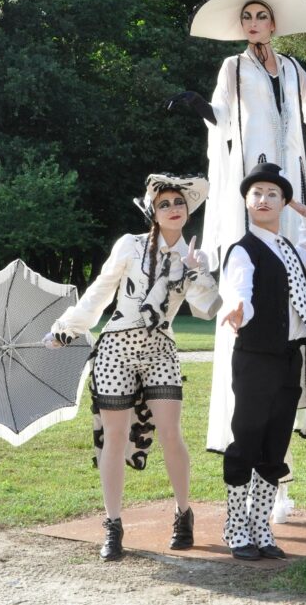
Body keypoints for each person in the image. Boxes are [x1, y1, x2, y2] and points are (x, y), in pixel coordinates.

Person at [167, 0, 306, 519]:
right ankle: (250, 460)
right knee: (256, 294)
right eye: (246, 17)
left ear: (274, 24)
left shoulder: (291, 69)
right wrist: (198, 104)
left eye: (260, 16)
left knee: (294, 298)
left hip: (288, 191)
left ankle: (280, 474)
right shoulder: (233, 67)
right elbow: (221, 120)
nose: (253, 23)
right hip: (253, 188)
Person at [45, 174, 219, 561]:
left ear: (188, 210)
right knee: (114, 436)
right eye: (164, 204)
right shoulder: (130, 245)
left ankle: (183, 514)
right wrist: (67, 329)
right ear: (152, 212)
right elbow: (101, 290)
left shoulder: (195, 255)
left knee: (171, 433)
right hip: (116, 348)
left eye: (178, 203)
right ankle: (113, 525)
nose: (173, 209)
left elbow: (207, 310)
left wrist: (197, 272)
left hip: (161, 349)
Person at [218, 162, 306, 561]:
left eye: (272, 194)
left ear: (283, 203)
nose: (263, 199)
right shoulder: (243, 250)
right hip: (255, 359)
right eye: (257, 193)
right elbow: (238, 288)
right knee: (246, 440)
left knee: (276, 444)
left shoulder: (287, 248)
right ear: (247, 202)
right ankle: (236, 527)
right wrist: (238, 308)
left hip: (289, 358)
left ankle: (261, 527)